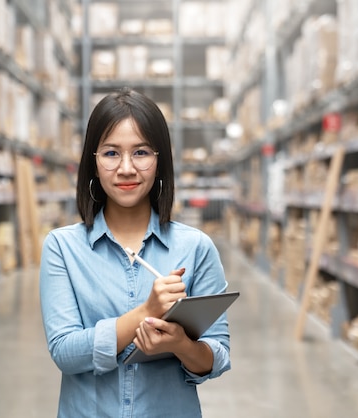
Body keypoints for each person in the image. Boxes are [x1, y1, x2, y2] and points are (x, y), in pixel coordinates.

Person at [39, 88, 231, 417]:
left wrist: (179, 345)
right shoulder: (62, 248)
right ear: (93, 162)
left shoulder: (195, 248)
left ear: (159, 160)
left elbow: (218, 356)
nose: (126, 168)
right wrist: (146, 312)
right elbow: (65, 353)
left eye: (140, 152)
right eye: (111, 153)